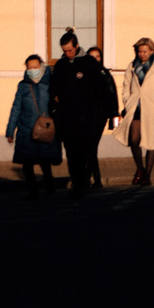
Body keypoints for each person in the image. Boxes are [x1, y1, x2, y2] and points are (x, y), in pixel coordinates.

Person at [49, 28, 105, 198]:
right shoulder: (60, 65)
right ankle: (77, 182)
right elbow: (53, 89)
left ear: (77, 46)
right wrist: (55, 100)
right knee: (71, 151)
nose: (67, 53)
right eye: (64, 51)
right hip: (67, 118)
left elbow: (100, 88)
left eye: (70, 50)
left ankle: (81, 182)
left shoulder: (88, 63)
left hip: (85, 117)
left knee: (83, 151)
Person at [114, 37, 154, 186]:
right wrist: (127, 100)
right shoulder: (133, 65)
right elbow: (126, 84)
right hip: (135, 108)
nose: (142, 54)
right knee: (134, 140)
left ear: (152, 51)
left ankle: (147, 175)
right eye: (140, 51)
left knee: (151, 143)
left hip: (151, 109)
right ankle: (140, 168)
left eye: (145, 51)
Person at [6, 54, 62, 199]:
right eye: (29, 68)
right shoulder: (23, 86)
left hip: (46, 128)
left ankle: (50, 189)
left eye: (35, 67)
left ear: (42, 67)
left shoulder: (51, 83)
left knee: (45, 162)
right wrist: (10, 131)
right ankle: (33, 192)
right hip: (26, 130)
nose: (32, 70)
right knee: (27, 164)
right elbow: (16, 108)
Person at [87, 46, 119, 188]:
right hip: (85, 116)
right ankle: (89, 179)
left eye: (97, 57)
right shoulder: (83, 74)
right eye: (91, 57)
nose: (94, 59)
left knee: (91, 147)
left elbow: (112, 94)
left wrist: (113, 116)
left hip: (99, 116)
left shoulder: (104, 74)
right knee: (89, 148)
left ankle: (96, 180)